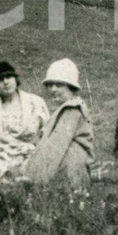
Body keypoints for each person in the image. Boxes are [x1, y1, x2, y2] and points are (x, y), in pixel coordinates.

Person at [19, 58, 95, 190]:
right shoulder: (67, 107)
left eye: (59, 85)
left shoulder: (72, 110)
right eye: (50, 85)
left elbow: (55, 148)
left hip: (71, 171)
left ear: (71, 87)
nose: (53, 89)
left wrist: (33, 179)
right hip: (66, 167)